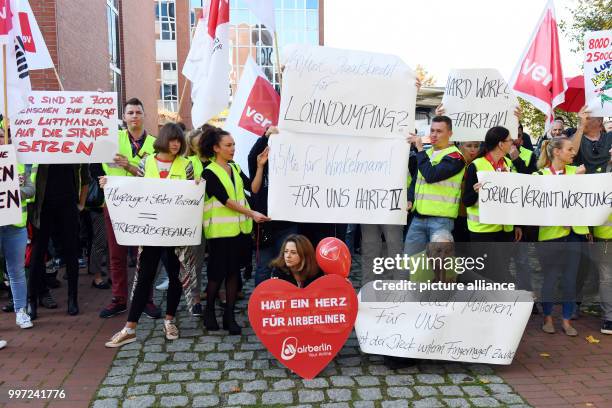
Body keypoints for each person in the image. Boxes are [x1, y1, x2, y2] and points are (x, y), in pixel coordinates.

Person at [104, 123, 194, 348]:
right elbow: (136, 189)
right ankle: (130, 327)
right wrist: (110, 185)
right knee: (144, 276)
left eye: (179, 140)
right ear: (163, 139)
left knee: (175, 275)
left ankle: (170, 320)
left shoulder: (187, 165)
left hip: (176, 230)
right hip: (151, 230)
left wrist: (197, 186)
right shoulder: (147, 163)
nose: (176, 144)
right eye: (172, 139)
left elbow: (193, 192)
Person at [200, 126, 270, 335]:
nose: (233, 149)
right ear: (216, 148)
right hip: (220, 234)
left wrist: (259, 166)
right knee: (216, 275)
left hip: (238, 232)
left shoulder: (236, 168)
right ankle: (209, 311)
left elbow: (254, 188)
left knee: (233, 274)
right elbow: (227, 201)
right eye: (228, 145)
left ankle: (229, 316)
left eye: (233, 145)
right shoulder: (208, 172)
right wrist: (252, 213)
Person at [99, 98, 161, 319]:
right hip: (115, 204)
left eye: (138, 112)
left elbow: (155, 176)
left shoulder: (156, 144)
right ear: (124, 117)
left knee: (145, 255)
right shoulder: (112, 141)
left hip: (144, 206)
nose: (134, 116)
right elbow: (104, 166)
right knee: (116, 255)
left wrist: (130, 166)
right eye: (130, 113)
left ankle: (147, 299)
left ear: (144, 115)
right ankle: (119, 299)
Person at [535, 137, 589, 336]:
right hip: (550, 236)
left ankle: (566, 320)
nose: (573, 153)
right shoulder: (539, 175)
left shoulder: (577, 171)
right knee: (550, 278)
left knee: (570, 279)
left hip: (575, 235)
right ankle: (547, 317)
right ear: (556, 152)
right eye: (569, 149)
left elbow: (587, 200)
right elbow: (538, 205)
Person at [405, 116, 465, 254]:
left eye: (439, 131)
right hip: (418, 217)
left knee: (439, 267)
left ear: (450, 133)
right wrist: (410, 199)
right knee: (410, 262)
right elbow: (416, 181)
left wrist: (419, 148)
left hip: (441, 221)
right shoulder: (427, 154)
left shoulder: (456, 157)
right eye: (432, 130)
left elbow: (431, 175)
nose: (434, 134)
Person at [248, 126, 298, 286]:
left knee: (288, 266)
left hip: (287, 223)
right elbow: (254, 189)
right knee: (264, 267)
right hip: (265, 225)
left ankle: (285, 299)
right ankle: (260, 304)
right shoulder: (259, 161)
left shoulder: (292, 163)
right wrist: (265, 135)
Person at [0, 131, 34, 329]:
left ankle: (21, 312)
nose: (2, 139)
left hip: (16, 226)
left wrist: (15, 190)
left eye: (3, 135)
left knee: (16, 271)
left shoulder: (19, 161)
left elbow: (31, 190)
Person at [569, 106, 612, 174]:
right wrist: (581, 126)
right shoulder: (576, 138)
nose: (583, 121)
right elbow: (570, 152)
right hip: (584, 182)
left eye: (587, 118)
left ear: (599, 121)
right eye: (581, 119)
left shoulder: (609, 137)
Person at [454, 141, 480, 242]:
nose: (473, 149)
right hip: (456, 215)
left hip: (474, 218)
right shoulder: (454, 163)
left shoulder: (480, 165)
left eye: (476, 146)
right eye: (469, 146)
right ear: (460, 146)